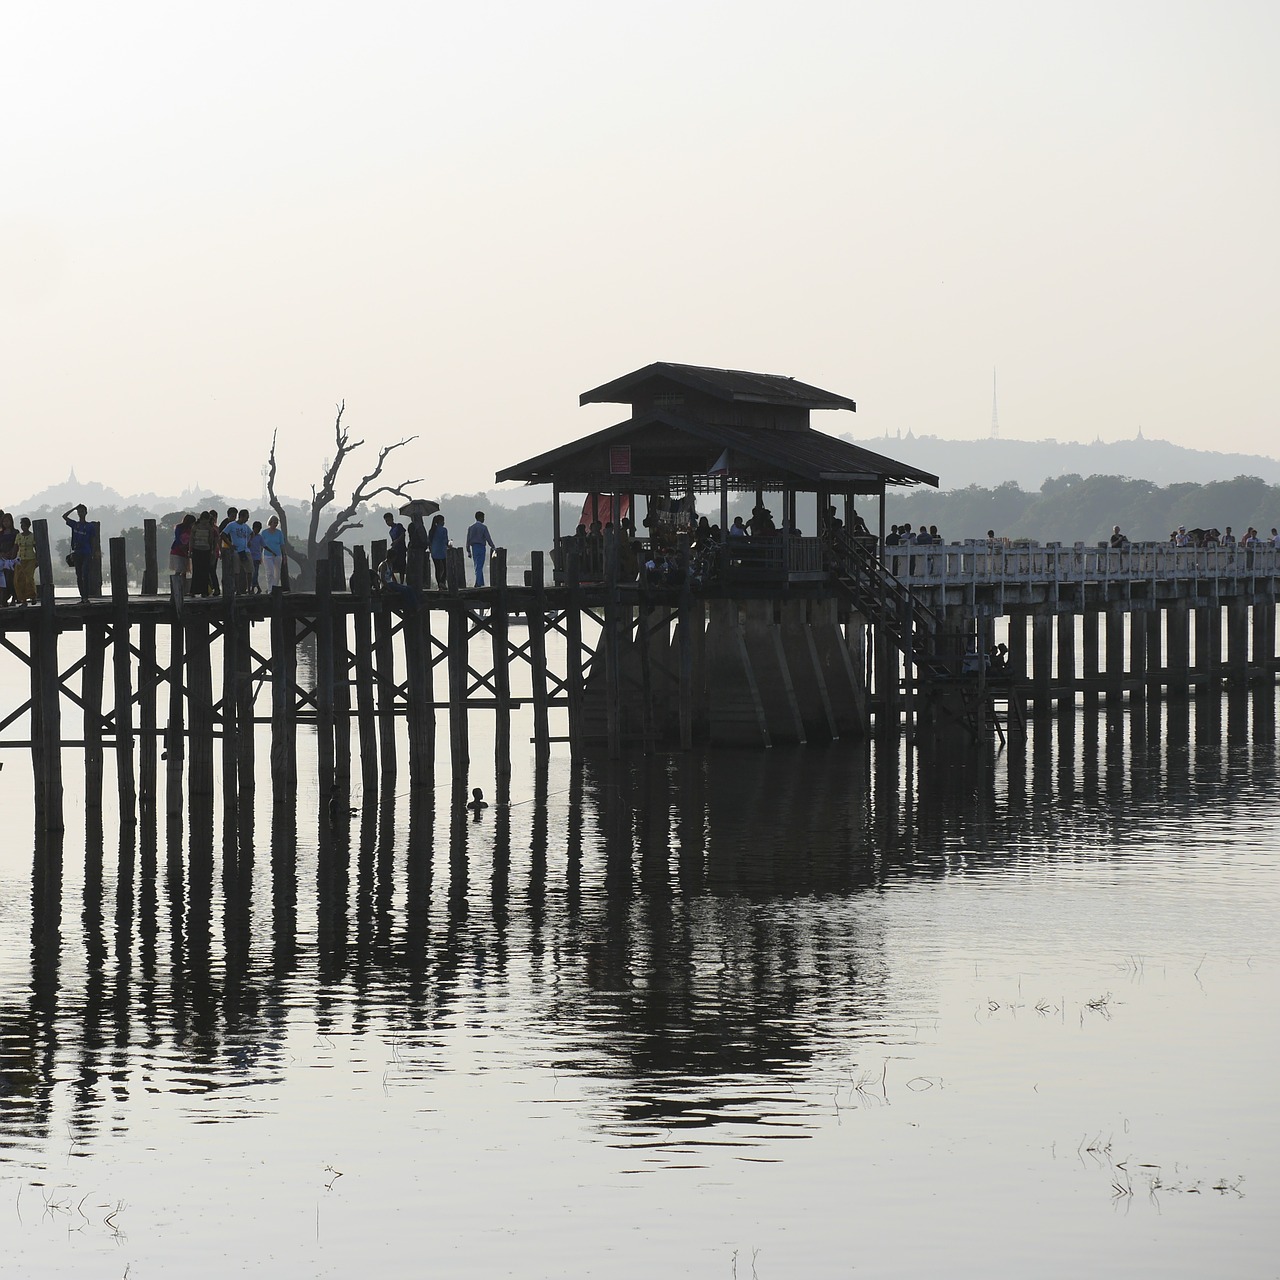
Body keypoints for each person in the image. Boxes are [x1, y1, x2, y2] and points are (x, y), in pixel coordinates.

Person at [62, 503, 94, 600]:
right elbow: (64, 516)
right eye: (79, 512)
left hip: (86, 553)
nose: (80, 513)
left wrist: (93, 553)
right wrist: (74, 508)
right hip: (77, 553)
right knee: (79, 576)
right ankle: (82, 597)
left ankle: (86, 597)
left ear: (86, 513)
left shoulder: (90, 526)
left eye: (82, 512)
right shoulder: (75, 524)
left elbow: (92, 541)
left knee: (85, 574)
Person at [465, 511, 495, 587]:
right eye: (483, 517)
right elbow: (488, 538)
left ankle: (480, 582)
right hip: (481, 547)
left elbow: (468, 540)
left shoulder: (471, 527)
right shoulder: (483, 527)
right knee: (479, 565)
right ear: (480, 517)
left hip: (474, 548)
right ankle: (478, 583)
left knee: (477, 565)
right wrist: (493, 547)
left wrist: (468, 550)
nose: (484, 519)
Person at [14, 517, 37, 605]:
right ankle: (23, 600)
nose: (23, 527)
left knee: (29, 578)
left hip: (30, 559)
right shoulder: (19, 536)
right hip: (20, 559)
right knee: (19, 579)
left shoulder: (32, 536)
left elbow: (36, 547)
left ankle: (33, 596)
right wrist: (12, 559)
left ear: (28, 525)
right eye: (22, 525)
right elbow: (16, 547)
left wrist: (37, 559)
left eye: (24, 525)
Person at [260, 515, 285, 591]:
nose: (275, 524)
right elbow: (261, 545)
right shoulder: (264, 533)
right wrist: (260, 555)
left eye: (277, 523)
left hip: (278, 555)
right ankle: (270, 589)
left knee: (277, 573)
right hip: (267, 555)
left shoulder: (279, 533)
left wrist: (284, 556)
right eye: (274, 523)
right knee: (269, 572)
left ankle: (275, 588)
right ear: (270, 522)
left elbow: (282, 545)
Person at [170, 514, 194, 582]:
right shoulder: (179, 527)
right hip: (177, 551)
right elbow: (178, 539)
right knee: (178, 569)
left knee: (185, 571)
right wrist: (182, 548)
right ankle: (176, 586)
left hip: (185, 552)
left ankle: (183, 587)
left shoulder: (191, 529)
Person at [383, 511, 407, 581]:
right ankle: (394, 581)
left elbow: (403, 535)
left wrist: (396, 541)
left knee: (402, 567)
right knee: (392, 566)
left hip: (401, 549)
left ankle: (402, 582)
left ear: (392, 519)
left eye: (389, 520)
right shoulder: (390, 531)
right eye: (386, 521)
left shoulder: (398, 526)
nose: (387, 522)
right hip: (395, 551)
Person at [428, 513, 449, 590]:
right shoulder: (444, 530)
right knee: (445, 568)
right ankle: (442, 582)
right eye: (443, 521)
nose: (444, 522)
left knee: (437, 569)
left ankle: (439, 584)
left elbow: (429, 542)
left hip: (434, 551)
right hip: (442, 551)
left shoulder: (432, 530)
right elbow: (446, 541)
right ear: (440, 521)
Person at [249, 521, 265, 593]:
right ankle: (257, 588)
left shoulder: (259, 537)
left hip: (257, 558)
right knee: (252, 573)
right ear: (253, 528)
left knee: (255, 573)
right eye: (256, 529)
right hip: (250, 556)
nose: (257, 531)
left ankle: (253, 588)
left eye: (259, 529)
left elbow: (264, 546)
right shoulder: (249, 536)